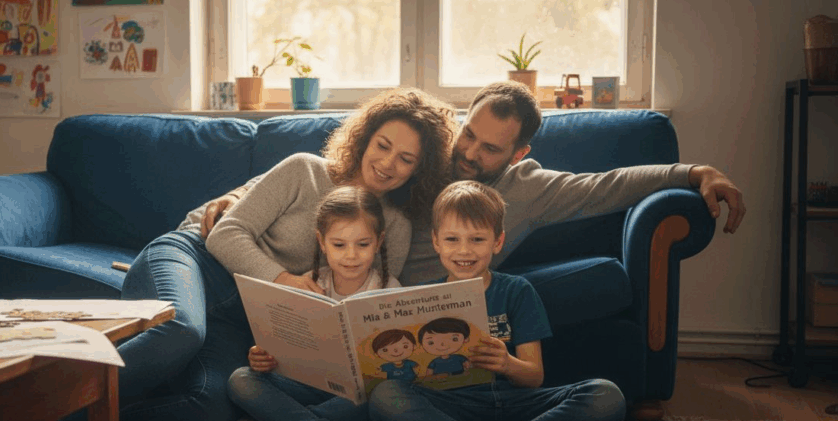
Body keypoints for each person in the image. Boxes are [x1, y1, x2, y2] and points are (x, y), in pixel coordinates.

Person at [0, 87, 458, 421]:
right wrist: (284, 279)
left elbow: (371, 301)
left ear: (422, 168)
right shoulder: (304, 171)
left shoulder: (396, 224)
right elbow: (225, 234)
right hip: (192, 259)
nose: (388, 163)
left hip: (244, 319)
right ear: (365, 137)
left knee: (208, 411)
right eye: (383, 146)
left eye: (407, 159)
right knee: (183, 329)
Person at [196, 81, 746, 285]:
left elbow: (608, 184)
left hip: (398, 301)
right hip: (345, 282)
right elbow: (329, 179)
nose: (471, 154)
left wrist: (695, 172)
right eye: (469, 136)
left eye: (490, 149)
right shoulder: (427, 159)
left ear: (519, 152)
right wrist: (238, 196)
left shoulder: (531, 188)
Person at [369, 180, 627, 421]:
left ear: (497, 241)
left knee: (606, 396)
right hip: (453, 411)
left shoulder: (516, 291)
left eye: (477, 239)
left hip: (517, 407)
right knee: (384, 396)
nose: (464, 250)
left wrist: (507, 363)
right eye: (452, 239)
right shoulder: (422, 298)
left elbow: (534, 376)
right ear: (436, 241)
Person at [225, 185, 401, 421]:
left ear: (379, 242)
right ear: (322, 242)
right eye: (339, 244)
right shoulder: (310, 283)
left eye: (363, 244)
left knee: (379, 400)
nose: (351, 255)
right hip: (307, 383)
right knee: (241, 379)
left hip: (355, 396)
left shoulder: (389, 290)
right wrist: (263, 355)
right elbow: (283, 342)